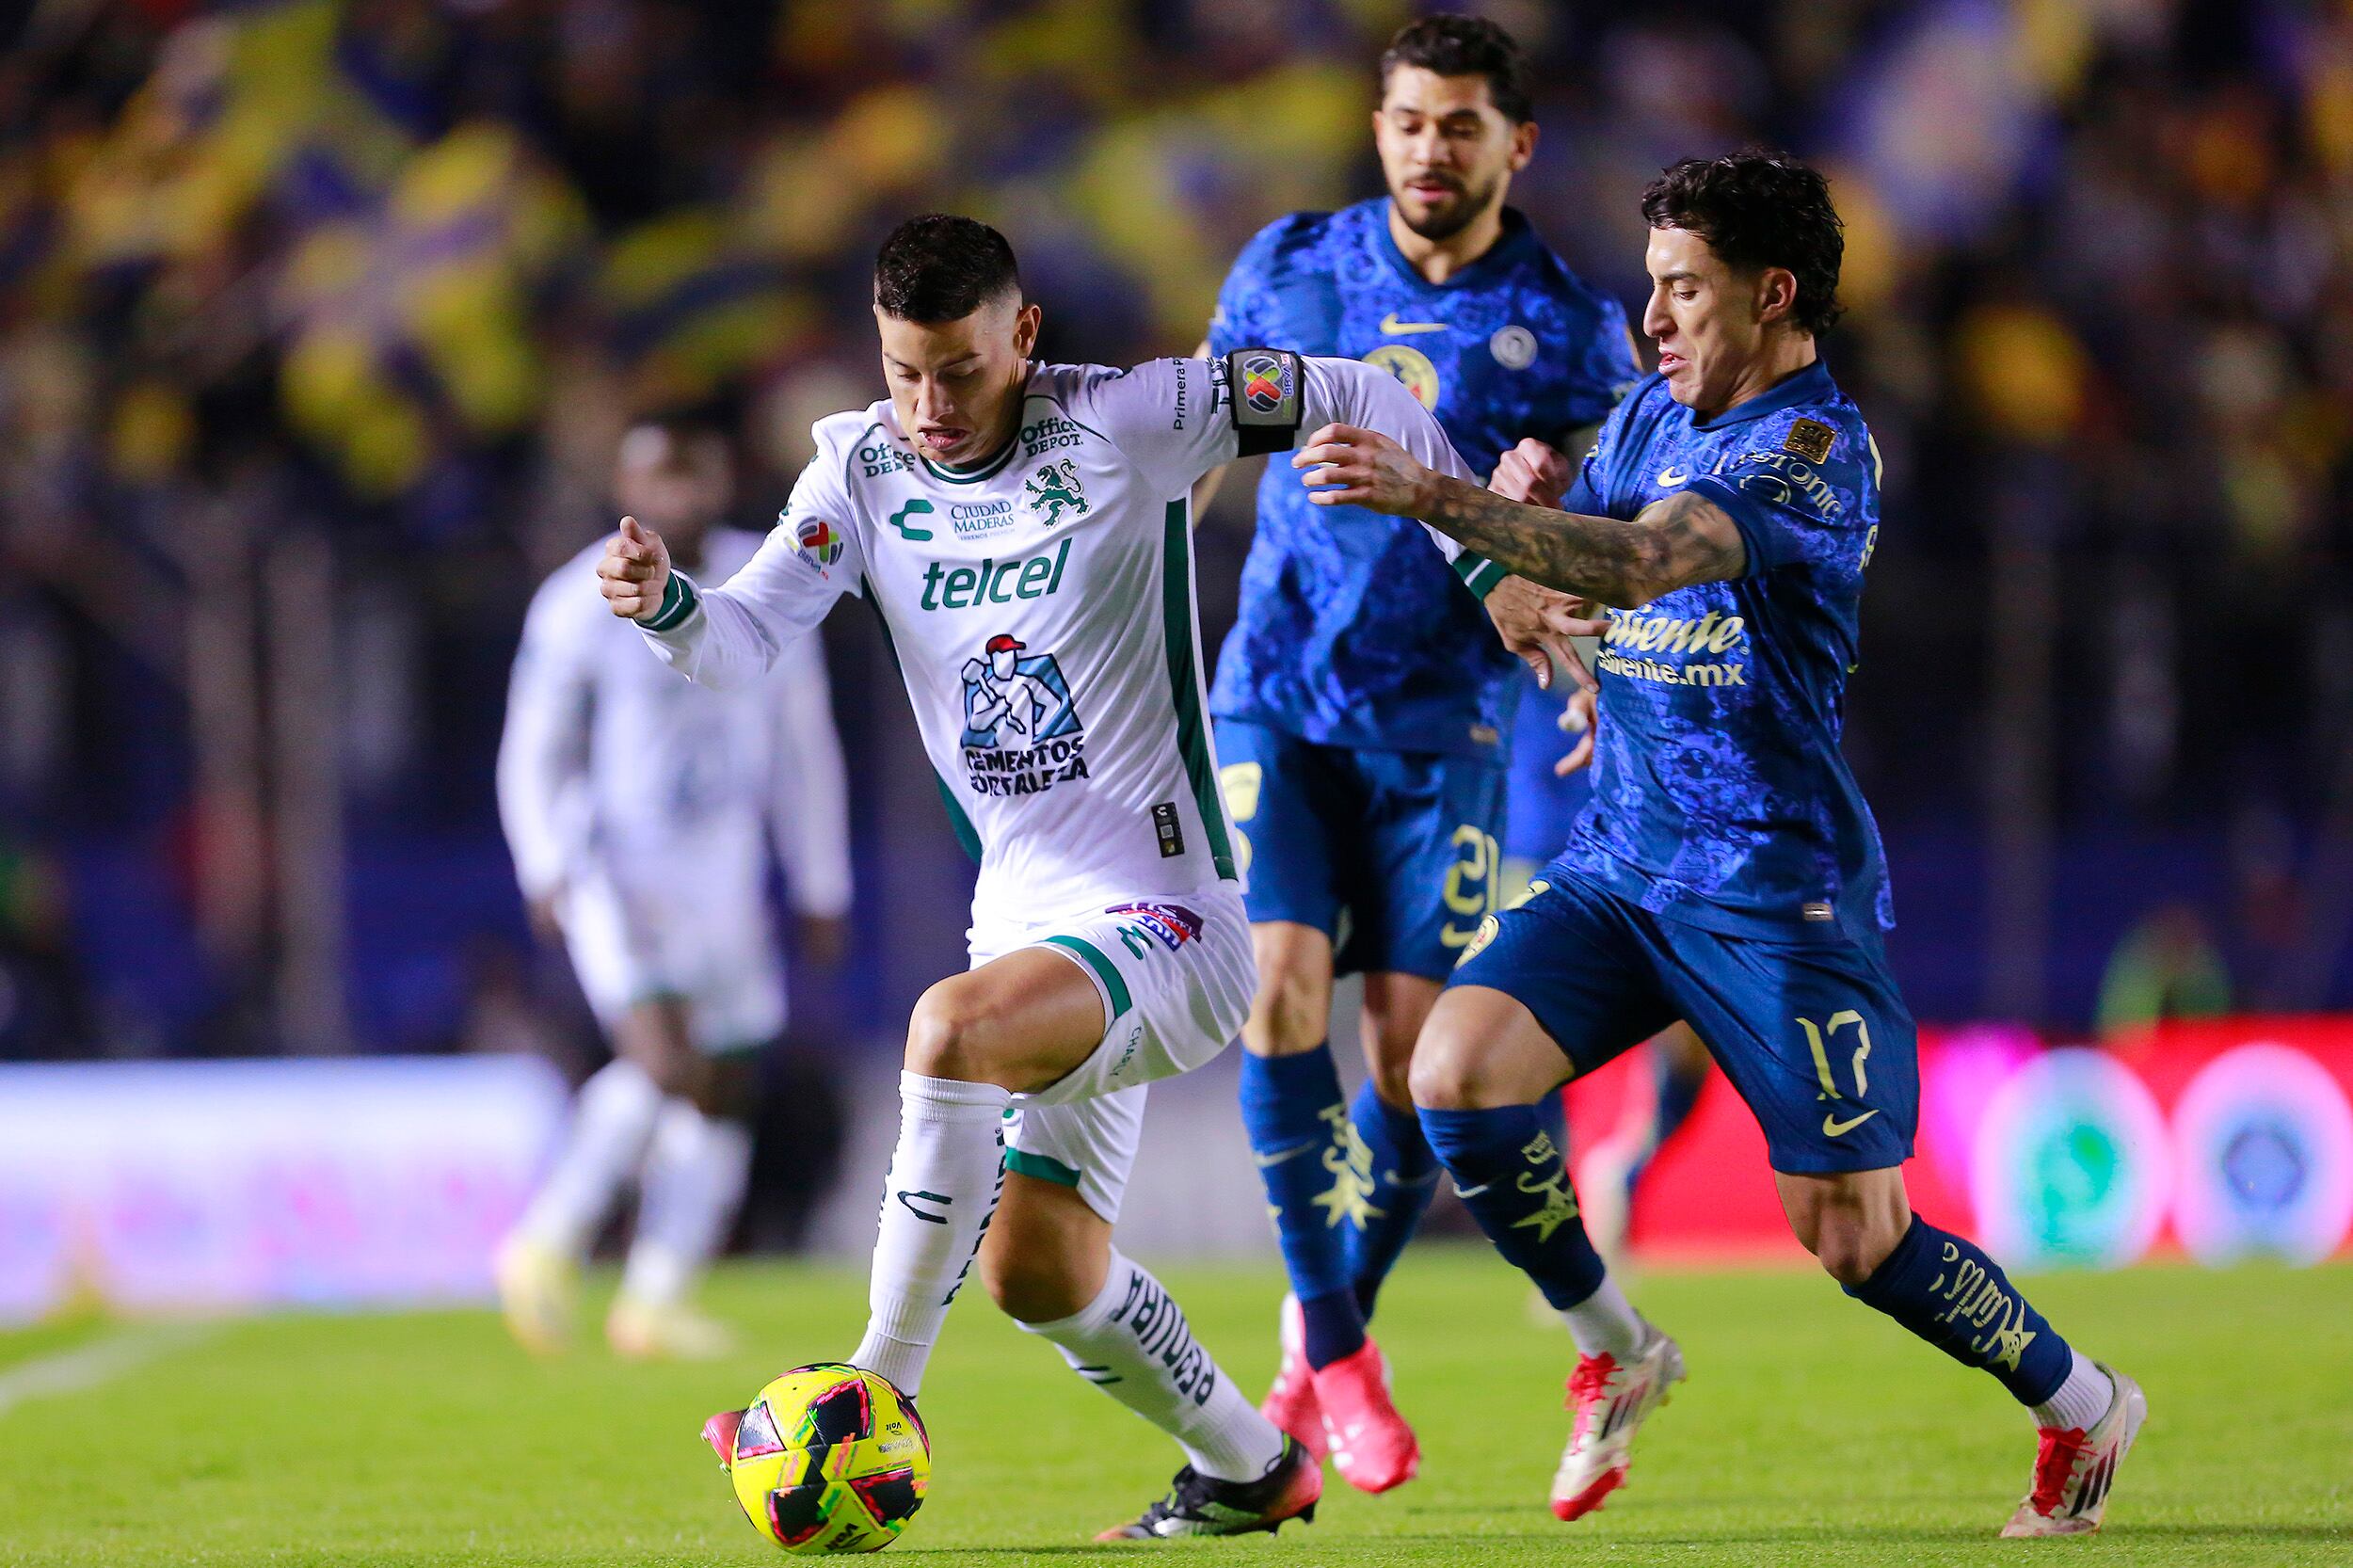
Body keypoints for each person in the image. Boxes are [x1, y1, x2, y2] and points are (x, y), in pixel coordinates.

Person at [597, 214, 1583, 1540]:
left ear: (1023, 334)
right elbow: (742, 640)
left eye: (960, 369)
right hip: (1025, 927)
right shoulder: (858, 470)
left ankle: (873, 1389)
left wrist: (1480, 551)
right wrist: (667, 604)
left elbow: (1355, 386)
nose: (931, 406)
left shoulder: (1134, 418)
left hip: (1171, 920)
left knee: (949, 1029)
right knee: (1042, 1269)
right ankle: (1252, 1466)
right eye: (904, 371)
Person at [1290, 151, 2148, 1537]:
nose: (1654, 316)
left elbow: (1640, 563)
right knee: (1454, 1073)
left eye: (1684, 289)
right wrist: (1543, 528)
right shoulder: (1648, 413)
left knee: (1853, 1236)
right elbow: (1595, 573)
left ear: (1773, 293)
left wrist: (1438, 495)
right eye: (1652, 284)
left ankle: (2082, 1401)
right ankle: (1616, 1346)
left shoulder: (1810, 451)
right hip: (1625, 867)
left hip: (1770, 891)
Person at [1194, 14, 1641, 1491]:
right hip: (1277, 688)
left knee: (1404, 1059)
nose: (1428, 149)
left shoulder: (1567, 325)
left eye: (1459, 124)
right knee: (1275, 991)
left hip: (1447, 722)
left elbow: (1595, 534)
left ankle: (1318, 1347)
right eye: (1407, 121)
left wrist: (1550, 504)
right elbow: (1194, 449)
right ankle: (1334, 1351)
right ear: (1376, 129)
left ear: (1518, 143)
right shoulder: (1290, 268)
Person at [493, 417, 853, 1360]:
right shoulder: (578, 599)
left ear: (721, 479)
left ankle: (654, 1296)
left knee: (725, 1080)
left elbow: (803, 741)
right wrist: (543, 861)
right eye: (660, 477)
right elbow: (534, 746)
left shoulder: (768, 578)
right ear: (627, 486)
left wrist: (820, 877)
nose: (679, 496)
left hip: (726, 872)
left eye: (694, 475)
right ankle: (546, 1241)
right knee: (664, 1063)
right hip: (619, 865)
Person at [1503, 678, 1714, 1264]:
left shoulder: (1661, 642)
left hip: (1651, 854)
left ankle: (1625, 1169)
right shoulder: (1516, 646)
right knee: (1525, 1042)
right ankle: (1558, 1215)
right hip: (1539, 855)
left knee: (1694, 1037)